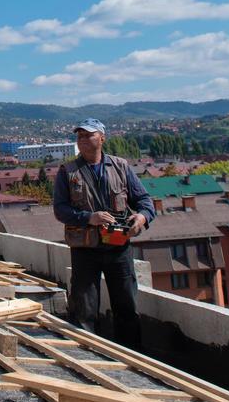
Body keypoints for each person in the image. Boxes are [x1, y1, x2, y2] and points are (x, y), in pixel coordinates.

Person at [52, 118, 155, 348]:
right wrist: (90, 217)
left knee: (126, 307)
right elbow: (60, 209)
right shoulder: (68, 172)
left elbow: (145, 201)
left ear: (102, 138)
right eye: (79, 136)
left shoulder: (120, 167)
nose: (82, 140)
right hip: (85, 249)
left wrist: (141, 218)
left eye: (88, 135)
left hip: (119, 248)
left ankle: (133, 359)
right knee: (84, 312)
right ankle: (88, 356)